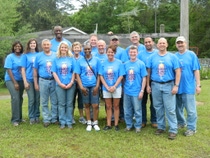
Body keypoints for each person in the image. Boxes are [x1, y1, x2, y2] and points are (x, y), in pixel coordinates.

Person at [146, 38, 181, 140]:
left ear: (167, 45)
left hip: (168, 84)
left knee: (170, 109)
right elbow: (148, 72)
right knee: (158, 107)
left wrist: (176, 85)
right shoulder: (152, 57)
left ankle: (173, 129)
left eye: (163, 43)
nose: (161, 44)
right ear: (157, 45)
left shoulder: (172, 57)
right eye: (160, 43)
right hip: (155, 85)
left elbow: (178, 72)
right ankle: (161, 126)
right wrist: (148, 85)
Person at [175, 36, 201, 136]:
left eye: (182, 43)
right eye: (178, 43)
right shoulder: (175, 56)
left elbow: (196, 70)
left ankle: (192, 128)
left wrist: (198, 85)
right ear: (176, 45)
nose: (180, 44)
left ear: (185, 43)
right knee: (177, 108)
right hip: (177, 87)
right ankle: (181, 123)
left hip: (188, 86)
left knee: (190, 109)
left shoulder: (191, 55)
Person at [75, 44, 100, 131]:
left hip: (94, 85)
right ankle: (89, 122)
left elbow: (99, 74)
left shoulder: (96, 60)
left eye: (88, 49)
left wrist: (97, 86)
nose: (87, 50)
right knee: (86, 104)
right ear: (83, 50)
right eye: (85, 49)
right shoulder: (80, 61)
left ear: (91, 49)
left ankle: (95, 122)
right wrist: (81, 86)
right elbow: (77, 74)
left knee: (95, 105)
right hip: (84, 85)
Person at [99, 45, 125, 131]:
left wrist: (114, 86)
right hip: (106, 87)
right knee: (108, 106)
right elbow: (101, 76)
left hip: (116, 87)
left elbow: (121, 76)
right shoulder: (103, 63)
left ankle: (116, 124)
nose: (110, 54)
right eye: (109, 52)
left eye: (112, 52)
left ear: (114, 53)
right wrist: (106, 86)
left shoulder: (119, 63)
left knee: (116, 106)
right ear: (106, 53)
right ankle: (108, 124)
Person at [33, 39, 58, 127]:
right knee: (44, 101)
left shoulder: (55, 55)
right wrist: (36, 83)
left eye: (48, 44)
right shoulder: (38, 56)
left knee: (54, 101)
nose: (46, 46)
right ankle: (46, 119)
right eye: (45, 45)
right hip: (43, 80)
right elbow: (35, 70)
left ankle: (54, 118)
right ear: (42, 46)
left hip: (54, 80)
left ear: (51, 45)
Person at [52, 41, 76, 129]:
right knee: (61, 104)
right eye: (62, 47)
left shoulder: (71, 58)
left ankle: (69, 121)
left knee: (69, 104)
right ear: (59, 48)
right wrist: (60, 83)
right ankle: (62, 121)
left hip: (70, 84)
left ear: (68, 49)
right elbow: (54, 72)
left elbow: (74, 71)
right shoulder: (56, 59)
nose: (63, 49)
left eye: (65, 47)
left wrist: (71, 82)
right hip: (59, 85)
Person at [123, 45, 147, 133]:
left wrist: (142, 90)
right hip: (127, 91)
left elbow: (144, 78)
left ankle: (138, 126)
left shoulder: (141, 64)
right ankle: (129, 125)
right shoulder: (125, 64)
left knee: (137, 110)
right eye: (131, 52)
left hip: (137, 91)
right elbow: (123, 77)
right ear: (129, 53)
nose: (132, 54)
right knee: (127, 110)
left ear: (137, 53)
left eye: (134, 52)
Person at [137, 37, 157, 128]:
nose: (148, 43)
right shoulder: (140, 54)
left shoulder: (157, 53)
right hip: (142, 80)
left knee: (155, 101)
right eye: (146, 42)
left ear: (153, 42)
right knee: (142, 101)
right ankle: (143, 120)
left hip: (154, 79)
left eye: (149, 42)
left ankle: (154, 120)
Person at [4, 41, 25, 126]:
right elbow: (9, 70)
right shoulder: (10, 57)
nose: (18, 48)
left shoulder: (23, 56)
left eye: (19, 46)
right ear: (13, 47)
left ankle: (19, 118)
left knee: (20, 98)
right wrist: (15, 83)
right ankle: (15, 120)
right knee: (15, 97)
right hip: (11, 80)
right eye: (16, 46)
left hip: (21, 80)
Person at [21, 39, 40, 125]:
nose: (33, 44)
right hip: (29, 79)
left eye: (34, 43)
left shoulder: (39, 55)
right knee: (31, 99)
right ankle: (32, 117)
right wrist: (25, 81)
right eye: (31, 43)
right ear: (28, 45)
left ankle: (37, 116)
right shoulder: (25, 55)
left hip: (38, 80)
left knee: (37, 99)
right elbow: (23, 69)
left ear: (36, 45)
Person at [72, 42, 86, 124]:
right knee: (72, 99)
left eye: (78, 47)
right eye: (75, 47)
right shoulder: (70, 58)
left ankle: (81, 116)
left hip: (81, 82)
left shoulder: (83, 58)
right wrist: (74, 79)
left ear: (80, 49)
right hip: (73, 82)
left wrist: (79, 79)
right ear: (72, 49)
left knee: (81, 100)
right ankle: (72, 116)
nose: (76, 49)